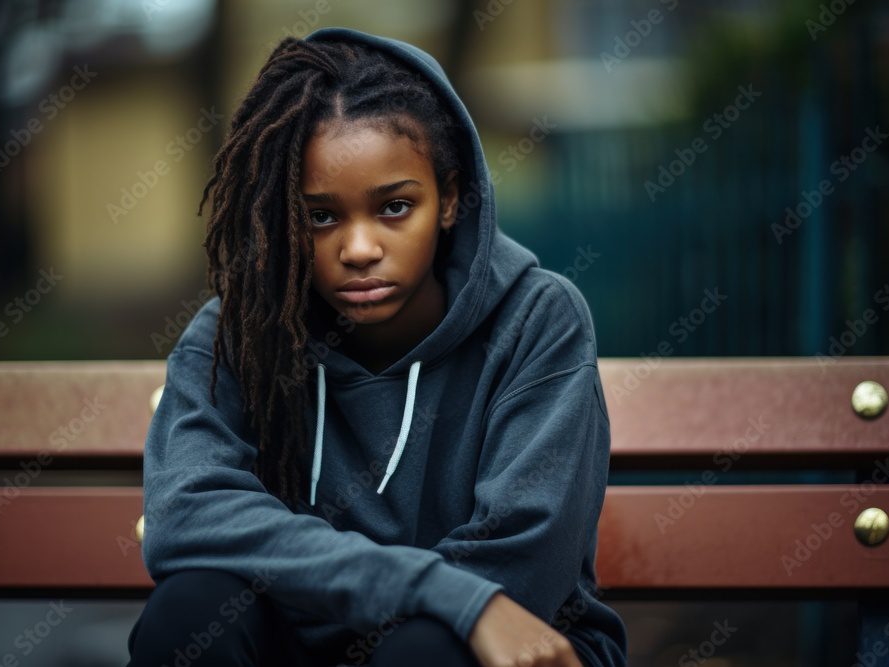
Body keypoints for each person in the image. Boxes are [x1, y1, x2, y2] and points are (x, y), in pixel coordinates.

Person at [126, 25, 627, 667]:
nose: (359, 250)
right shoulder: (239, 333)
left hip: (506, 646)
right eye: (321, 216)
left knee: (422, 649)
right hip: (314, 639)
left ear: (449, 198)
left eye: (394, 208)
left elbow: (523, 562)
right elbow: (185, 515)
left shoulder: (537, 321)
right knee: (190, 608)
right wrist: (430, 588)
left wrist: (448, 608)